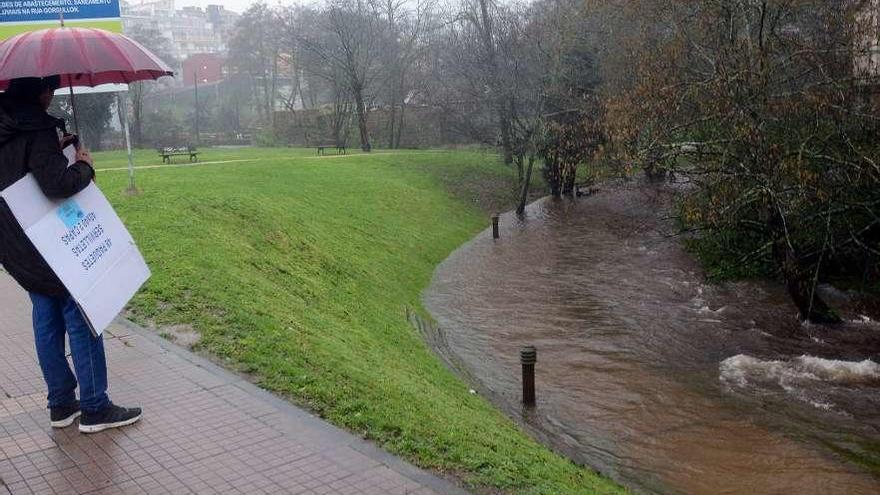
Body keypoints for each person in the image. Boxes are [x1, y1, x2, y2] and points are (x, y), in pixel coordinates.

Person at [0, 76, 142, 433]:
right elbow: (56, 186)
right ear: (42, 92)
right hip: (50, 244)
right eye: (51, 89)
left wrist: (52, 149)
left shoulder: (7, 125)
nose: (53, 95)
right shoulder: (37, 128)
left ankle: (61, 404)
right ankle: (95, 407)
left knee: (45, 315)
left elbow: (22, 168)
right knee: (81, 314)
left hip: (15, 244)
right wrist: (83, 166)